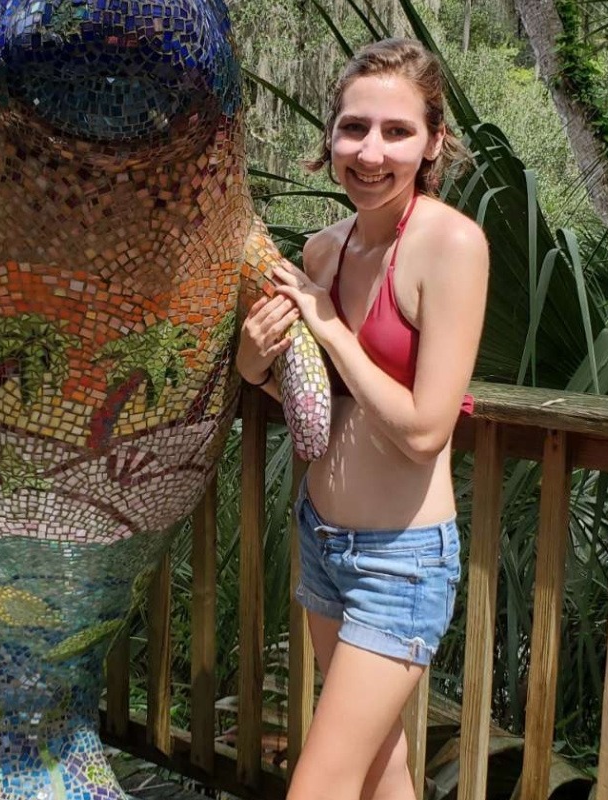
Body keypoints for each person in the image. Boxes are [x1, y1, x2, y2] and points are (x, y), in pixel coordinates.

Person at [235, 38, 489, 800]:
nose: (371, 152)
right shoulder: (323, 251)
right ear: (332, 137)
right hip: (323, 540)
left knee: (319, 785)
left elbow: (424, 430)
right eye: (354, 127)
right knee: (381, 771)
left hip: (400, 563)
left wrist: (333, 330)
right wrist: (253, 362)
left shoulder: (452, 246)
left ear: (434, 142)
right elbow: (316, 399)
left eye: (397, 131)